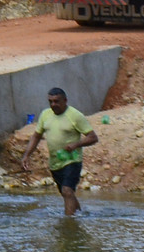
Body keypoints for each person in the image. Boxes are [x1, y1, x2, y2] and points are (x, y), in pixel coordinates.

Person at [22, 86, 98, 216]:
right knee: (66, 193)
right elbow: (36, 136)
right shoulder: (45, 114)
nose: (53, 104)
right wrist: (26, 155)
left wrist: (76, 144)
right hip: (55, 162)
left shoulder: (75, 115)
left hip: (72, 160)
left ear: (65, 100)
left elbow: (93, 137)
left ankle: (69, 224)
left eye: (57, 101)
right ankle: (80, 216)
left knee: (67, 190)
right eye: (50, 101)